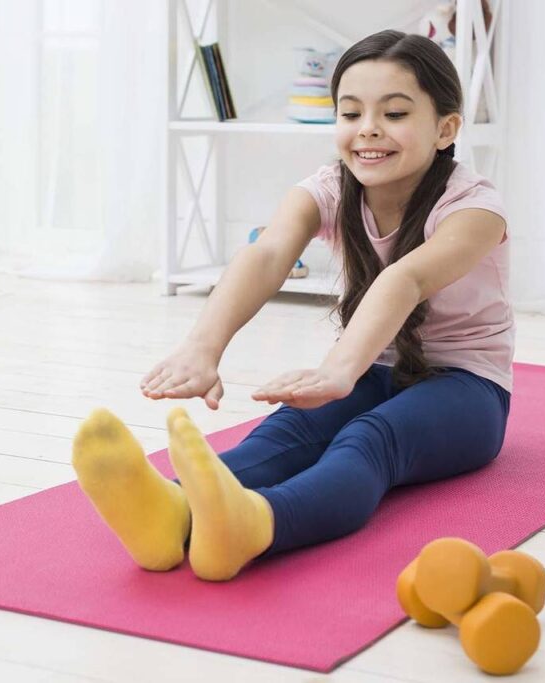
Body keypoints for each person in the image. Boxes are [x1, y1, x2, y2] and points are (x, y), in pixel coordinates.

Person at [72, 30, 513, 582]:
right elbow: (269, 253)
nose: (368, 129)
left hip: (469, 387)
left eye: (395, 113)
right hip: (375, 367)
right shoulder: (329, 187)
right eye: (351, 113)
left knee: (367, 440)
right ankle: (171, 508)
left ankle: (257, 525)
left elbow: (406, 278)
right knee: (287, 433)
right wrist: (203, 348)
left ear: (445, 129)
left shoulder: (474, 208)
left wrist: (337, 371)